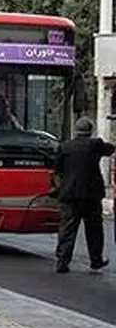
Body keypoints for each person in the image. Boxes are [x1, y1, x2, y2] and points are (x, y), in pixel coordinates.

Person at [53, 116, 113, 274]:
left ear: (76, 130)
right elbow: (110, 149)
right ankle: (96, 260)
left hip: (69, 194)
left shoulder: (65, 147)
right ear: (90, 131)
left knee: (67, 228)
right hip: (91, 195)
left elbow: (57, 168)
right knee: (94, 229)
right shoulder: (95, 145)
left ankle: (62, 261)